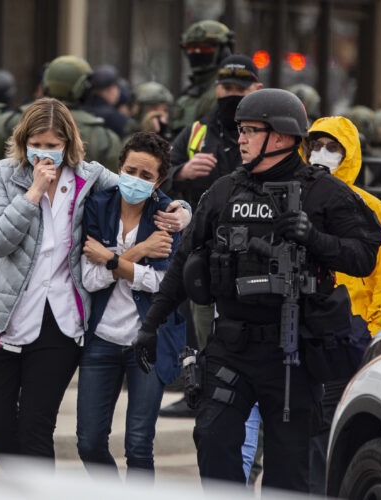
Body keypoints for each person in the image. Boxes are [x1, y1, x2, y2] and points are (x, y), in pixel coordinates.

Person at [133, 88, 381, 492]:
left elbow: (364, 256)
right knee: (214, 443)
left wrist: (313, 237)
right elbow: (185, 259)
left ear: (282, 137)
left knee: (290, 469)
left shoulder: (324, 193)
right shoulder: (225, 191)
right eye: (240, 130)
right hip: (231, 345)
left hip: (293, 352)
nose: (241, 140)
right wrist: (152, 323)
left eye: (250, 130)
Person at [0, 97, 119, 467]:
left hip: (60, 322)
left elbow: (135, 193)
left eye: (53, 145)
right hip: (2, 319)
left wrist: (181, 210)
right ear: (24, 141)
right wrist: (31, 195)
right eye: (37, 144)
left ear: (68, 144)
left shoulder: (88, 177)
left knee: (35, 427)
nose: (44, 154)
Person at [159, 53, 263, 419]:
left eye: (240, 88)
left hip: (254, 248)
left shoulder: (264, 132)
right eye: (225, 87)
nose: (230, 94)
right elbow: (157, 173)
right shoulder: (197, 132)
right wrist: (183, 171)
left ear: (257, 89)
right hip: (201, 245)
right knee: (196, 319)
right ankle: (197, 388)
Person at [302, 115, 381, 493]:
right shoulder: (294, 196)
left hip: (347, 338)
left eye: (333, 147)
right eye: (316, 145)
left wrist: (371, 333)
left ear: (350, 154)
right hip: (299, 334)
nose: (322, 154)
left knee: (329, 431)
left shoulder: (369, 207)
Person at [76, 131, 184, 478]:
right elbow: (90, 280)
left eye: (146, 175)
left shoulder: (167, 215)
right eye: (130, 170)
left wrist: (110, 260)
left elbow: (163, 285)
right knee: (89, 442)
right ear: (119, 167)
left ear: (159, 182)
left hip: (148, 342)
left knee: (138, 445)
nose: (135, 180)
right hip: (102, 339)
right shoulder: (99, 205)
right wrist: (136, 254)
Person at [0, 55, 123, 172]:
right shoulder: (103, 136)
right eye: (35, 144)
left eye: (52, 145)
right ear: (83, 88)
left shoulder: (8, 121)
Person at [170, 19, 234, 137]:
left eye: (205, 48)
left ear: (223, 51)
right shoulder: (187, 95)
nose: (197, 53)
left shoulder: (227, 91)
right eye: (192, 49)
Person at [84, 64, 139, 139]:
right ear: (110, 89)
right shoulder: (114, 117)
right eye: (117, 88)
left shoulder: (84, 109)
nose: (119, 92)